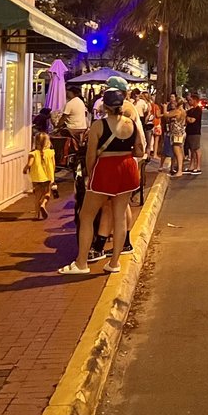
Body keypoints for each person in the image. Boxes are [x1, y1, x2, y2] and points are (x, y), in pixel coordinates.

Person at [58, 88, 143, 275]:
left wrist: (89, 176)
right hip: (128, 168)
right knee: (119, 216)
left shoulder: (99, 125)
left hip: (106, 169)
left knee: (86, 216)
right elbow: (139, 151)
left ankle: (81, 263)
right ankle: (114, 263)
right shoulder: (131, 124)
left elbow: (90, 156)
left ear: (105, 105)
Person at [26, 132, 56, 219]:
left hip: (36, 177)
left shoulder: (33, 153)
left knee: (37, 195)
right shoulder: (50, 153)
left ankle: (36, 214)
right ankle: (43, 204)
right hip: (48, 177)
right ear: (48, 142)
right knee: (47, 193)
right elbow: (54, 165)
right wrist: (52, 174)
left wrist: (25, 169)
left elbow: (29, 164)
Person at [165, 94, 187, 176]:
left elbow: (166, 114)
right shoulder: (183, 111)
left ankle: (179, 170)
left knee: (177, 151)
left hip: (177, 133)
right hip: (181, 132)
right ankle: (179, 169)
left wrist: (164, 107)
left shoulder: (177, 111)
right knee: (179, 151)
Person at [184, 93, 203, 175]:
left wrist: (186, 117)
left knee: (196, 149)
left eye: (190, 100)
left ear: (195, 100)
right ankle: (191, 166)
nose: (189, 101)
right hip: (189, 132)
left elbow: (192, 120)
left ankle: (198, 167)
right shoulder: (190, 110)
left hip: (195, 132)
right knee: (191, 149)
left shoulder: (198, 110)